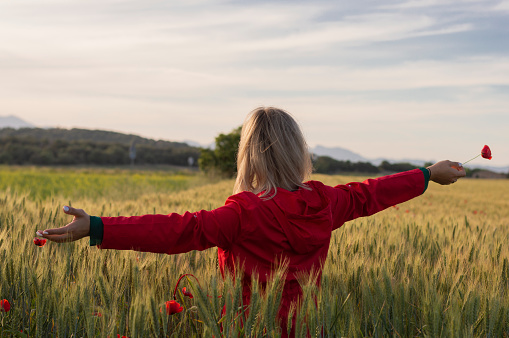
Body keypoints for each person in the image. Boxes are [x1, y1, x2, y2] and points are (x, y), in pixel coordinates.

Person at [37, 107, 466, 337]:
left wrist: (96, 226)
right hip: (308, 327)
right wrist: (427, 174)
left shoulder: (242, 213)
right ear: (299, 152)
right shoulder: (327, 201)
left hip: (244, 329)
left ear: (249, 155)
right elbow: (372, 192)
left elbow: (178, 230)